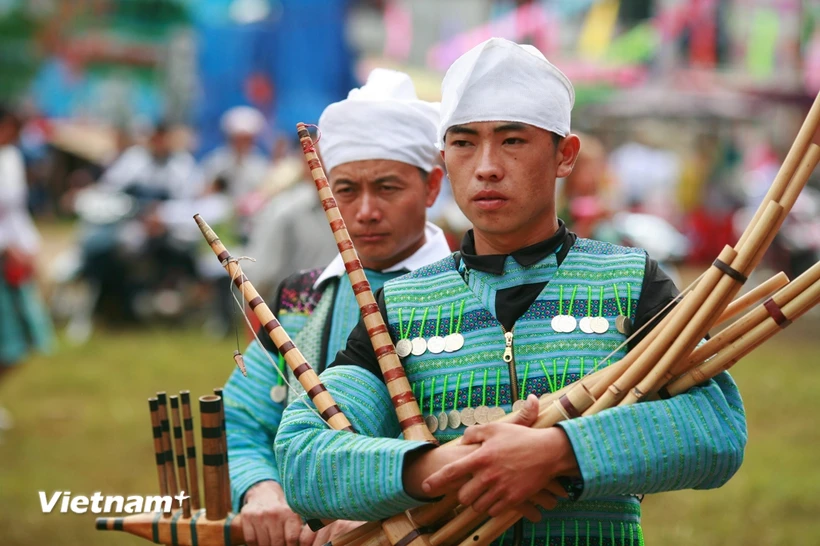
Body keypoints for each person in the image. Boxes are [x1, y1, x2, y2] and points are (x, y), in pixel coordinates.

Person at [274, 38, 747, 545]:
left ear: (565, 155)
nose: (486, 166)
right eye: (463, 142)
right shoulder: (400, 306)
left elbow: (716, 428)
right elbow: (303, 456)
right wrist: (437, 465)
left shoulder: (631, 281)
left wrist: (559, 451)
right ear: (444, 159)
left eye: (512, 140)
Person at [222, 68, 451, 546]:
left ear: (431, 187)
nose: (364, 211)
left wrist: (378, 510)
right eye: (345, 189)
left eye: (387, 188)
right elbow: (242, 415)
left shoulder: (466, 293)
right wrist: (262, 491)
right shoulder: (302, 296)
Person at [0, 105, 53, 434]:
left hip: (11, 263)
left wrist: (29, 249)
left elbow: (15, 212)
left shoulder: (10, 159)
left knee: (18, 342)